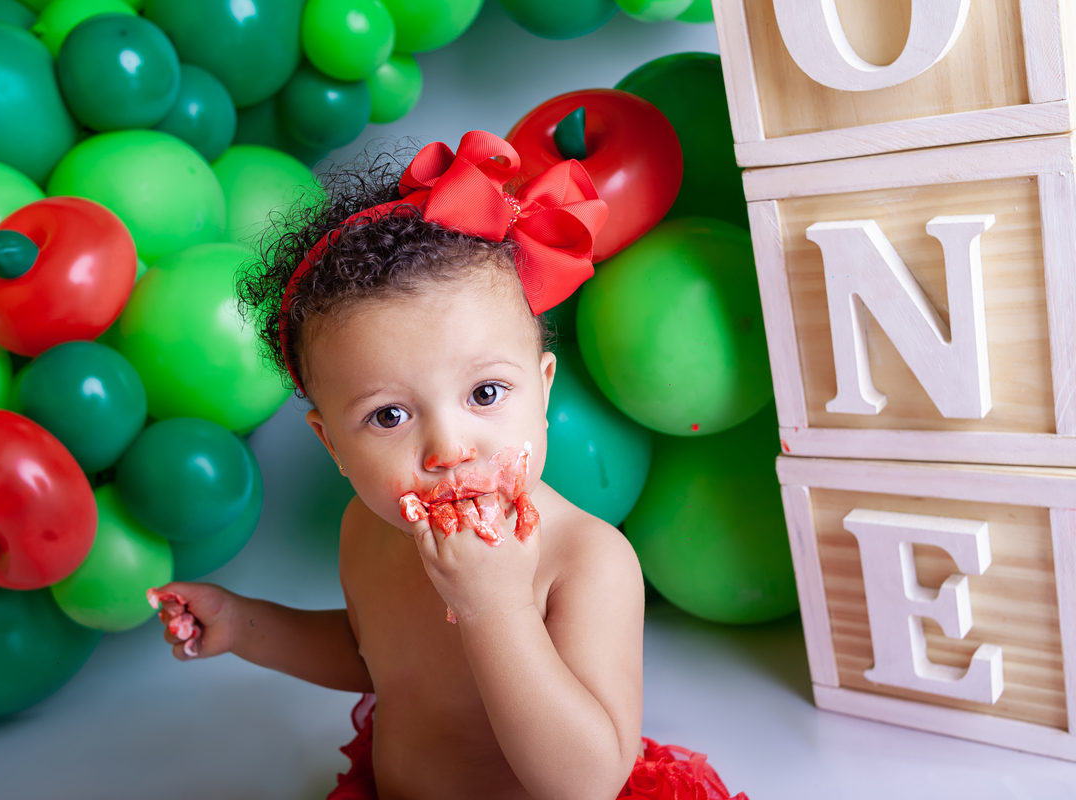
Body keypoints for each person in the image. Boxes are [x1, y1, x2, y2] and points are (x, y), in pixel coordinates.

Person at [148, 131, 747, 800]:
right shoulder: (367, 530)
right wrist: (246, 625)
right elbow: (380, 659)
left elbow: (586, 782)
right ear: (331, 445)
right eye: (389, 416)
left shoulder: (586, 560)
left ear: (542, 391)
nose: (449, 449)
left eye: (485, 395)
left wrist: (495, 607)